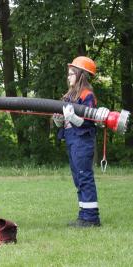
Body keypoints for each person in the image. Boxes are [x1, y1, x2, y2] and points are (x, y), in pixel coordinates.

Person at [53, 56, 109, 227]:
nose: (68, 77)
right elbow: (65, 121)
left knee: (84, 177)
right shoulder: (68, 96)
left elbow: (88, 121)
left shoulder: (87, 95)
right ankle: (84, 215)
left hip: (82, 141)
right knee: (78, 178)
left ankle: (91, 217)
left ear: (81, 75)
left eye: (71, 74)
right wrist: (59, 120)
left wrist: (74, 118)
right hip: (71, 139)